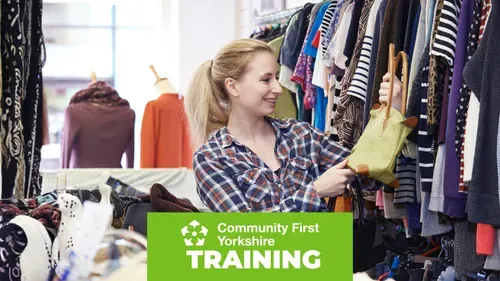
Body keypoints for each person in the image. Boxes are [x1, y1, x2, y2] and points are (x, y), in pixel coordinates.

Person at [184, 38, 402, 212]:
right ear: (233, 86)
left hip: (319, 263)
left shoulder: (300, 134)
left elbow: (368, 175)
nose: (278, 88)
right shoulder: (211, 158)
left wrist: (393, 112)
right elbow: (245, 233)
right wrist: (315, 192)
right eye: (266, 79)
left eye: (277, 77)